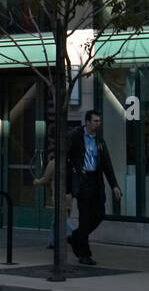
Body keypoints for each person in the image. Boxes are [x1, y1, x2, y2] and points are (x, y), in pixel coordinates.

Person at [66, 109, 121, 265]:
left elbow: (107, 165)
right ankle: (84, 254)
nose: (98, 124)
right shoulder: (76, 137)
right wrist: (70, 183)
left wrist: (114, 186)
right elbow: (66, 160)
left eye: (99, 121)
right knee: (84, 217)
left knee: (99, 214)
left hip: (95, 182)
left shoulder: (99, 141)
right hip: (82, 181)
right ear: (87, 122)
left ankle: (76, 237)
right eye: (95, 121)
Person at [33, 154, 75, 250]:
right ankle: (52, 242)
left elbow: (46, 179)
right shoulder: (70, 162)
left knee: (62, 218)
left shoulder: (53, 163)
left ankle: (75, 233)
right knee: (56, 220)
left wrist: (36, 182)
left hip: (58, 195)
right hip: (69, 194)